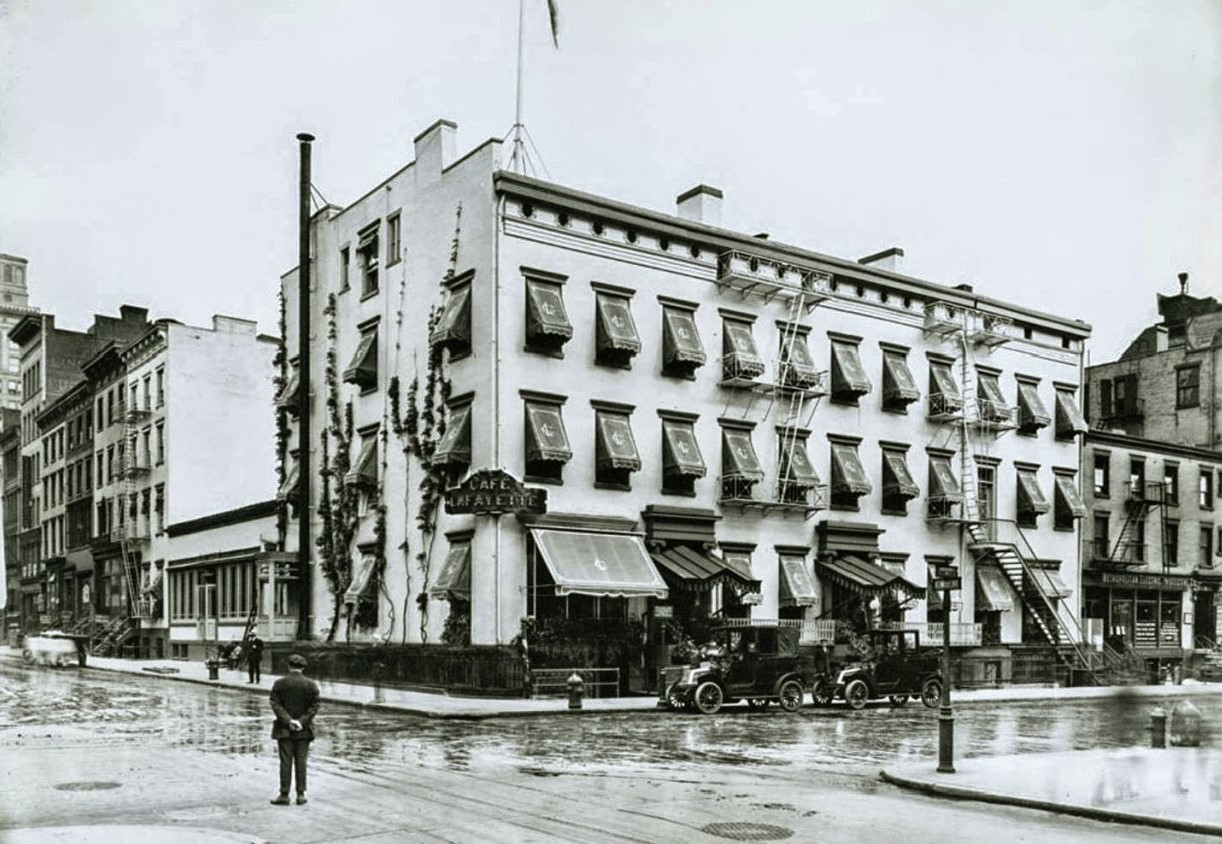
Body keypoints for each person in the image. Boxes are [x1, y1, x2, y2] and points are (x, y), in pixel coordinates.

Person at [269, 653, 320, 806]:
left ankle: (284, 794)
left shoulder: (279, 684)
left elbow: (275, 704)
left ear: (289, 666)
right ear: (303, 667)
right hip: (304, 730)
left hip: (284, 729)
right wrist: (301, 722)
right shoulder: (311, 685)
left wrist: (289, 720)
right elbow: (315, 706)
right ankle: (301, 794)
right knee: (301, 761)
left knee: (285, 761)